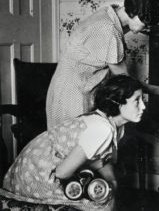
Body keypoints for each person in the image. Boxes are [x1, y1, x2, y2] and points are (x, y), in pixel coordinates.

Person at [46, 0, 159, 130]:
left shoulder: (114, 13)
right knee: (75, 145)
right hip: (72, 95)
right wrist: (158, 90)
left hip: (72, 87)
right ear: (134, 13)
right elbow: (125, 81)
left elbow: (152, 30)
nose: (147, 28)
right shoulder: (108, 31)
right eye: (145, 24)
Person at [0, 75, 145, 210]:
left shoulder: (113, 125)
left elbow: (101, 157)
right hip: (35, 175)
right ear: (117, 103)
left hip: (41, 166)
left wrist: (112, 181)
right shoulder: (102, 129)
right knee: (100, 203)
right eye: (137, 101)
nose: (143, 106)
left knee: (106, 193)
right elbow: (62, 172)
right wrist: (94, 169)